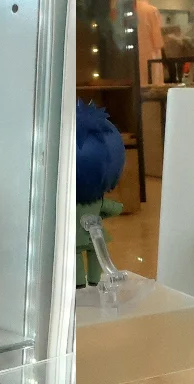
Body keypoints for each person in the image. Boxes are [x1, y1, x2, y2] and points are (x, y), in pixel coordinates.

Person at [75, 101, 124, 288]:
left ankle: (86, 282)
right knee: (88, 254)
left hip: (82, 238)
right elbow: (110, 208)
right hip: (91, 237)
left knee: (82, 255)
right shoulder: (96, 201)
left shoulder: (74, 204)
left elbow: (109, 207)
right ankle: (87, 281)